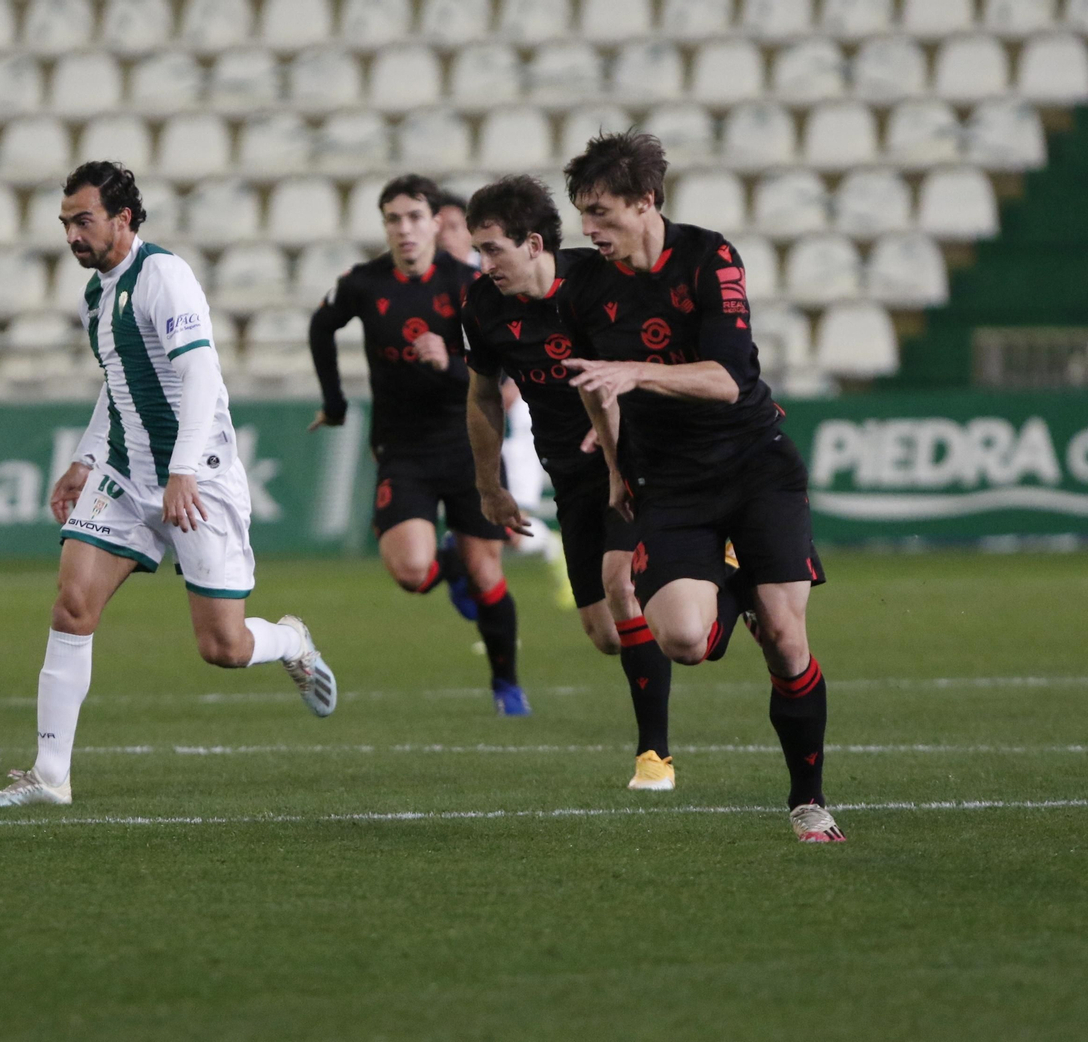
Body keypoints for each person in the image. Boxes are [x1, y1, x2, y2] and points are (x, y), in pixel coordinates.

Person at [0, 162, 336, 808]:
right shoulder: (97, 294)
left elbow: (199, 379)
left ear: (124, 219)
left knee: (223, 646)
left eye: (82, 221)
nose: (71, 236)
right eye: (65, 224)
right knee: (72, 604)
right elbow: (117, 386)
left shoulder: (162, 278)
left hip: (198, 480)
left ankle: (291, 641)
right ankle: (50, 776)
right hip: (124, 473)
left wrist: (182, 470)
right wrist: (86, 459)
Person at [559, 131, 844, 843]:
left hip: (755, 466)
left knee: (785, 640)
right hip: (670, 479)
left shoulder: (709, 256)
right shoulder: (588, 287)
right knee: (685, 639)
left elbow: (726, 380)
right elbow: (597, 385)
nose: (589, 230)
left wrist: (637, 374)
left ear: (646, 201)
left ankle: (807, 801)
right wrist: (620, 470)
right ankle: (735, 586)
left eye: (600, 213)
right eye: (581, 215)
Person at [458, 177, 677, 790]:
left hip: (634, 458)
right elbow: (481, 395)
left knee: (619, 583)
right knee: (607, 633)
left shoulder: (599, 280)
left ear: (533, 243)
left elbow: (659, 355)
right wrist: (488, 485)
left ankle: (654, 757)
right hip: (568, 473)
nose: (483, 263)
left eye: (493, 249)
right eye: (478, 250)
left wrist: (623, 430)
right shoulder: (482, 305)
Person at [307, 174, 526, 717]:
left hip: (469, 446)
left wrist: (447, 362)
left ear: (435, 223)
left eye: (414, 218)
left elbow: (499, 386)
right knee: (410, 572)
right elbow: (320, 326)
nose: (403, 229)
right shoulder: (363, 282)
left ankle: (507, 686)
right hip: (401, 449)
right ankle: (443, 563)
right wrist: (334, 403)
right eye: (393, 219)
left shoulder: (471, 285)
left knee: (488, 574)